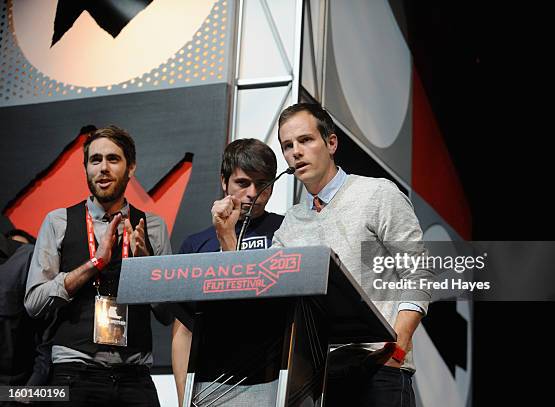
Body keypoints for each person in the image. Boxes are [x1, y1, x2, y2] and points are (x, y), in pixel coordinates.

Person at [213, 103, 432, 407]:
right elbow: (259, 291)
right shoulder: (293, 220)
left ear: (331, 143)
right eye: (288, 146)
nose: (296, 152)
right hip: (313, 379)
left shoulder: (378, 194)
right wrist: (227, 237)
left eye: (305, 140)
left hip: (377, 368)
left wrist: (398, 345)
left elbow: (419, 273)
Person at [24, 125, 172, 406]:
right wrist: (95, 263)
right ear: (86, 169)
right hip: (73, 373)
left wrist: (147, 266)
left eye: (113, 159)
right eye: (95, 160)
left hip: (135, 376)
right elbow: (34, 302)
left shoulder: (152, 226)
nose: (103, 168)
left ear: (131, 168)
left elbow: (166, 313)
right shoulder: (58, 221)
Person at [171, 138, 283, 404]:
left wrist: (228, 241)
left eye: (262, 184)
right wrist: (183, 398)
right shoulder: (195, 244)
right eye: (243, 183)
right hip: (207, 384)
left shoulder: (287, 231)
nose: (253, 193)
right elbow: (184, 330)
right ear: (224, 181)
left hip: (271, 383)